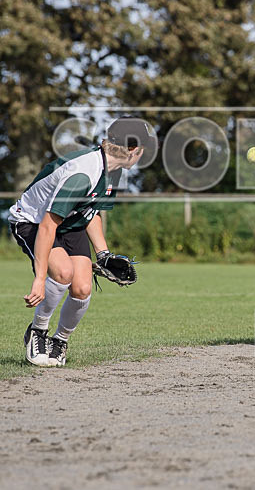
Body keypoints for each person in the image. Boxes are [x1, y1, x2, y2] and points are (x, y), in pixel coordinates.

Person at [8, 117, 154, 367]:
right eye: (142, 149)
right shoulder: (83, 174)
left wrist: (103, 254)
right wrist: (40, 279)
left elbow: (90, 212)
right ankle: (38, 331)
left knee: (83, 288)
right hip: (33, 221)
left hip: (70, 222)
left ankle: (60, 341)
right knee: (63, 272)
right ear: (132, 149)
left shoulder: (113, 171)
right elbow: (48, 225)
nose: (142, 155)